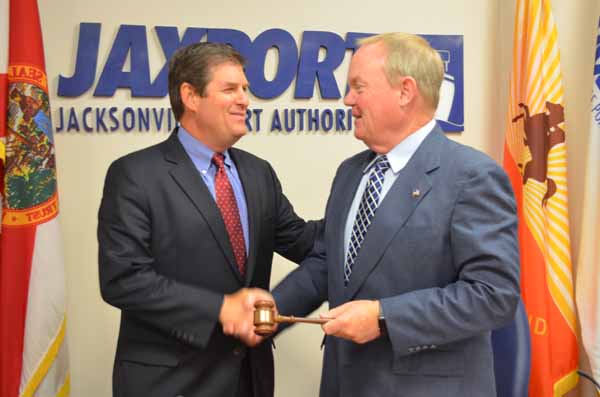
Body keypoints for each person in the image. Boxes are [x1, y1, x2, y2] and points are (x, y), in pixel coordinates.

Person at [270, 32, 520, 396]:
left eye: (358, 87)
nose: (347, 100)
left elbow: (492, 295)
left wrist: (383, 317)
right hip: (345, 383)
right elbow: (329, 264)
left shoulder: (471, 176)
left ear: (405, 91)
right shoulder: (351, 173)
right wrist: (270, 310)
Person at [97, 42, 319, 397]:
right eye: (230, 89)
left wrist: (362, 212)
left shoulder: (258, 173)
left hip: (249, 378)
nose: (245, 99)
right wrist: (220, 308)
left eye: (245, 89)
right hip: (170, 382)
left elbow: (303, 241)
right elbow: (123, 279)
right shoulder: (136, 174)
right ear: (191, 96)